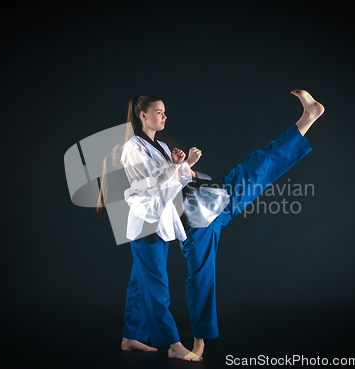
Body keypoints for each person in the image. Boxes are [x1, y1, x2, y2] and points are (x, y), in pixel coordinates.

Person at [97, 91, 324, 362]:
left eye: (165, 112)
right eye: (159, 112)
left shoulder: (160, 147)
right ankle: (171, 342)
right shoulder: (134, 148)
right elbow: (153, 187)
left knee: (254, 169)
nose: (165, 117)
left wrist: (184, 167)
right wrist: (184, 167)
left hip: (198, 207)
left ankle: (133, 337)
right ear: (142, 115)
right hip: (164, 216)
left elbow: (175, 180)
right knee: (153, 278)